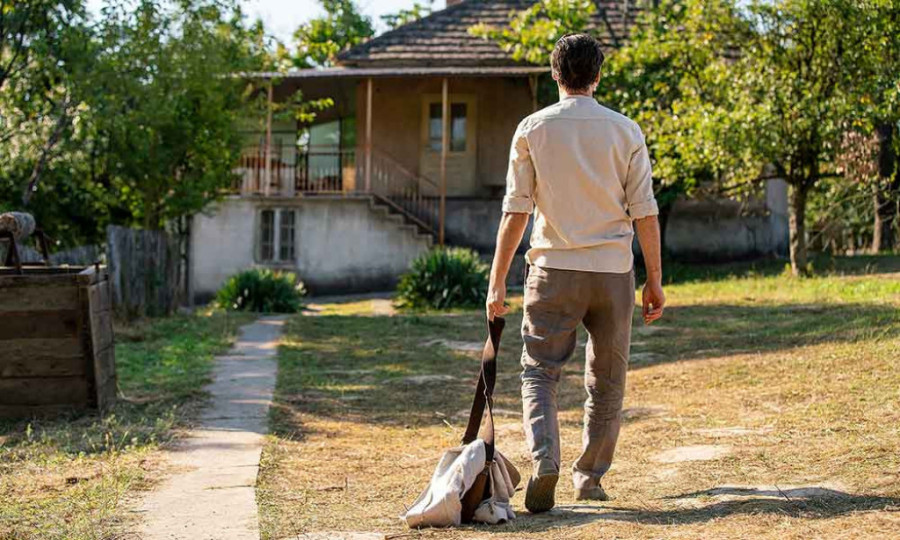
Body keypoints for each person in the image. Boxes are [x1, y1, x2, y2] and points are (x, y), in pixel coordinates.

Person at [485, 33, 666, 513]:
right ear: (598, 75)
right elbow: (645, 211)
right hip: (612, 273)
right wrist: (654, 279)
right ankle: (589, 477)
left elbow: (516, 211)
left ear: (555, 74)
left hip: (552, 270)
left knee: (539, 372)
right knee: (608, 378)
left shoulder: (531, 128)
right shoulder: (626, 131)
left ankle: (546, 459)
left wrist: (497, 279)